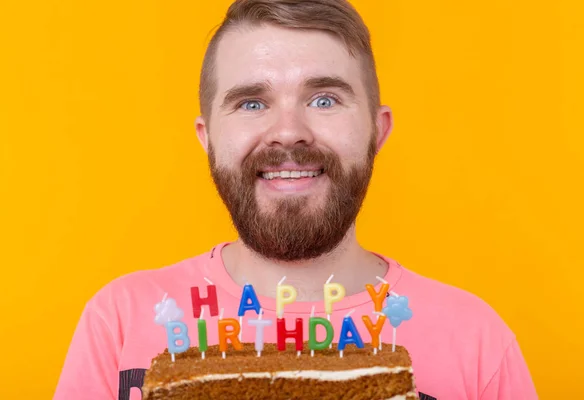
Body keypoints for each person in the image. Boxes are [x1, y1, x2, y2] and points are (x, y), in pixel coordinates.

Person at [54, 1, 538, 399]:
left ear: (378, 129)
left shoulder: (477, 343)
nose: (289, 132)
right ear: (208, 137)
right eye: (252, 103)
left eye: (324, 99)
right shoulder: (118, 321)